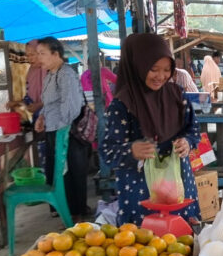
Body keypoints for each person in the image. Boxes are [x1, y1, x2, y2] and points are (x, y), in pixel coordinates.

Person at [101, 33, 201, 226]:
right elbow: (107, 152)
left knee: (182, 238)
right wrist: (131, 150)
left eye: (166, 70)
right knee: (144, 242)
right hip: (140, 194)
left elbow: (193, 129)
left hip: (179, 188)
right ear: (137, 66)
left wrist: (187, 142)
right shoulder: (122, 105)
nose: (161, 76)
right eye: (153, 69)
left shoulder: (177, 95)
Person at [34, 36, 91, 222]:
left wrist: (61, 133)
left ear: (56, 54)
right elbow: (50, 103)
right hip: (55, 130)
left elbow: (71, 107)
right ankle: (66, 210)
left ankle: (76, 215)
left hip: (67, 133)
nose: (39, 57)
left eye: (42, 53)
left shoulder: (66, 75)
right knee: (60, 173)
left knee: (72, 173)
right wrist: (42, 117)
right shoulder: (50, 74)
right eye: (38, 53)